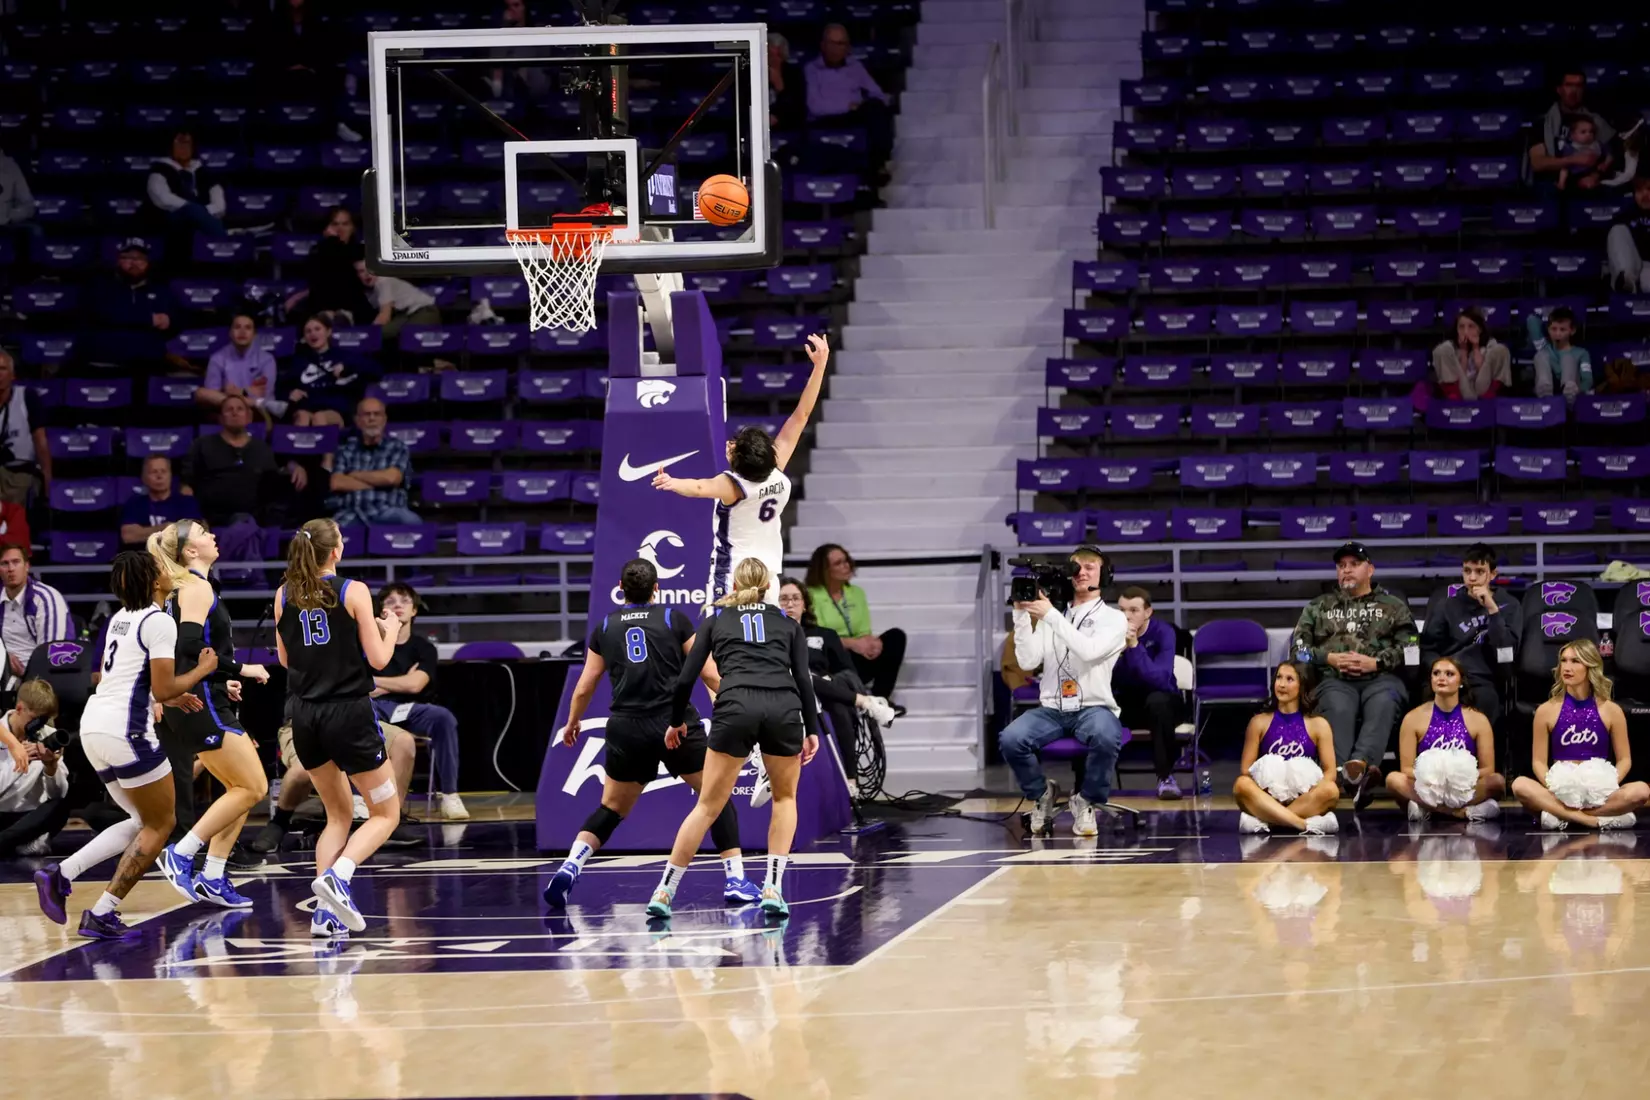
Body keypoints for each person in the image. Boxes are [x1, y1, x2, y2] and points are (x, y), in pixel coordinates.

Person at [545, 558, 762, 907]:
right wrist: (742, 704)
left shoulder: (605, 626)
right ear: (656, 588)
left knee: (611, 808)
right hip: (674, 724)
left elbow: (585, 685)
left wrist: (572, 722)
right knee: (715, 798)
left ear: (621, 588)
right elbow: (709, 673)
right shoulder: (673, 619)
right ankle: (736, 878)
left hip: (626, 728)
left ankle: (572, 864)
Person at [32, 552, 216, 939]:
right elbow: (162, 687)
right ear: (153, 582)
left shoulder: (120, 617)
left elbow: (127, 680)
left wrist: (167, 697)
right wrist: (202, 670)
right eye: (161, 568)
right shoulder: (159, 621)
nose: (168, 571)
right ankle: (102, 911)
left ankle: (61, 874)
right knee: (162, 823)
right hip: (125, 732)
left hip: (95, 727)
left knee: (139, 821)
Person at [645, 558, 820, 920]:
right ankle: (773, 888)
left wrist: (675, 721)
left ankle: (664, 891)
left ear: (735, 586)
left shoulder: (716, 620)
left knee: (707, 806)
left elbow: (685, 679)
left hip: (735, 705)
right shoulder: (789, 624)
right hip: (782, 707)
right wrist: (813, 730)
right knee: (785, 798)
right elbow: (804, 680)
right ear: (768, 588)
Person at [274, 517, 403, 934]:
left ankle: (325, 915)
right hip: (348, 713)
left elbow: (285, 659)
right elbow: (379, 660)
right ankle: (338, 876)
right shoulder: (353, 590)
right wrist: (391, 629)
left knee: (337, 816)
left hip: (305, 716)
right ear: (335, 551)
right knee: (386, 814)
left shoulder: (283, 593)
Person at [149, 520, 271, 907]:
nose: (213, 536)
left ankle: (213, 875)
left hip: (205, 698)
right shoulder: (195, 586)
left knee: (240, 789)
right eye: (203, 534)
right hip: (202, 706)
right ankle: (181, 852)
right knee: (254, 787)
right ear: (190, 551)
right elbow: (188, 645)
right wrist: (241, 669)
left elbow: (193, 651)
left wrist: (220, 680)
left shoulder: (186, 588)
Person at [652, 333, 829, 602]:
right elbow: (801, 415)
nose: (729, 443)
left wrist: (672, 482)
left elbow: (699, 487)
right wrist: (820, 366)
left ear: (739, 462)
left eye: (734, 446)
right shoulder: (776, 470)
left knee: (720, 629)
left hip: (734, 574)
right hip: (768, 577)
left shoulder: (733, 486)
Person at [997, 546, 1128, 837]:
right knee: (1011, 738)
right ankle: (1041, 793)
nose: (1081, 572)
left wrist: (1051, 616)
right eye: (1076, 567)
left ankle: (1086, 800)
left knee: (1106, 735)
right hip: (1052, 709)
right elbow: (1028, 661)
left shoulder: (1114, 618)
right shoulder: (1052, 616)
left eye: (1090, 567)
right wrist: (1021, 615)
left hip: (1093, 707)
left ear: (1104, 575)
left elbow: (1089, 651)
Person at [1290, 541, 1416, 808]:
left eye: (1354, 564)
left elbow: (1413, 650)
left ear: (1370, 569)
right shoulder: (1318, 606)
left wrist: (1376, 663)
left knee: (1384, 702)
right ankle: (1349, 776)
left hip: (1382, 679)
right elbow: (1297, 651)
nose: (1346, 570)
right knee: (1338, 707)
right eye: (1341, 565)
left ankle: (1356, 768)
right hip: (1334, 680)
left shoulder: (1393, 606)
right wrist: (1329, 658)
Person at [1511, 640, 1650, 831]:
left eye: (1575, 661)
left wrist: (1605, 785)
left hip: (1599, 792)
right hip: (1561, 791)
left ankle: (1561, 816)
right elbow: (1538, 762)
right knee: (1519, 785)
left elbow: (1625, 759)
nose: (1567, 667)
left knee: (1641, 790)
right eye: (1563, 661)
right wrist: (1555, 787)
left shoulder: (1611, 710)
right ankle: (1594, 820)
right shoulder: (1546, 710)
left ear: (1590, 666)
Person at [776, 576, 895, 797]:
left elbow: (847, 672)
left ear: (805, 604)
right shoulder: (770, 637)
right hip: (787, 690)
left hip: (823, 693)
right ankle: (865, 702)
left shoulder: (824, 635)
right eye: (783, 599)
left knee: (839, 707)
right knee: (800, 676)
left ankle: (851, 782)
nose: (790, 604)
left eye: (795, 598)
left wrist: (831, 679)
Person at [250, 704, 424, 853]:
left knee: (403, 742)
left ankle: (391, 820)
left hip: (354, 720)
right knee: (304, 769)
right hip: (306, 722)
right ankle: (279, 822)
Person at [371, 582, 464, 819]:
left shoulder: (424, 648)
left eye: (404, 601)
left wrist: (377, 682)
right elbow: (360, 687)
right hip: (375, 708)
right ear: (381, 611)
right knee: (358, 712)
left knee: (443, 717)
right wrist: (401, 681)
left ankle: (450, 796)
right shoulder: (369, 645)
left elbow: (415, 685)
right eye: (390, 602)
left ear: (414, 610)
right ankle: (362, 799)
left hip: (410, 709)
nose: (398, 606)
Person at [1385, 656, 1504, 823]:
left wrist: (1456, 777)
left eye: (1449, 674)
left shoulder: (1478, 719)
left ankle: (1428, 811)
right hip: (1428, 788)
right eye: (1436, 673)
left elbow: (1488, 769)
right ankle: (1458, 813)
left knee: (1497, 781)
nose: (1441, 678)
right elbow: (1406, 768)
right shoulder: (1412, 718)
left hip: (1464, 788)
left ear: (1461, 682)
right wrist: (1435, 778)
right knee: (1393, 779)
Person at [1233, 661, 1340, 836]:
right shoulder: (1258, 722)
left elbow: (1330, 772)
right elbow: (1246, 769)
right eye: (1279, 678)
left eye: (1289, 679)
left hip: (1304, 797)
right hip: (1268, 796)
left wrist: (1313, 789)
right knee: (1241, 784)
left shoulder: (1319, 725)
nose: (1281, 684)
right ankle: (1303, 824)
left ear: (1302, 686)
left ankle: (1268, 821)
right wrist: (1268, 788)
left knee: (1331, 790)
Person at [1418, 544, 1521, 720]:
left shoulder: (1509, 605)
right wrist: (1441, 670)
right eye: (1467, 571)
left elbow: (1507, 651)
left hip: (1484, 679)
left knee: (1487, 702)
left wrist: (1493, 611)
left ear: (1493, 574)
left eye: (1480, 571)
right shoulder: (1446, 605)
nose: (1472, 578)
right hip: (1448, 676)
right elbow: (1428, 648)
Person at [804, 542, 907, 709]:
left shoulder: (856, 593)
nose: (846, 566)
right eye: (838, 563)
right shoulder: (810, 595)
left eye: (846, 560)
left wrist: (871, 643)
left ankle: (880, 699)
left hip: (856, 656)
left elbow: (863, 631)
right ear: (824, 570)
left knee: (896, 637)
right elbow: (819, 636)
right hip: (832, 660)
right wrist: (852, 643)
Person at [183, 393, 309, 529]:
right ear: (221, 418)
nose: (235, 413)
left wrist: (295, 466)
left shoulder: (262, 448)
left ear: (249, 417)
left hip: (257, 517)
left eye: (240, 409)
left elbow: (273, 481)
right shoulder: (203, 444)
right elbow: (186, 482)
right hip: (214, 518)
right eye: (229, 409)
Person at [1111, 586, 1186, 800]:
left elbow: (1159, 680)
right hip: (1126, 702)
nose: (1126, 616)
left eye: (1133, 610)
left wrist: (1134, 646)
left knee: (1157, 702)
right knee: (1092, 708)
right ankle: (1088, 783)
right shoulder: (1111, 633)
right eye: (1122, 610)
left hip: (1164, 702)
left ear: (1148, 612)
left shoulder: (1164, 632)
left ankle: (1166, 777)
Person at [82, 237, 180, 374]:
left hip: (149, 365)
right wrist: (149, 319)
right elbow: (105, 314)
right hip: (107, 364)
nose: (133, 263)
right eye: (127, 257)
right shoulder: (100, 286)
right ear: (118, 260)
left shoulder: (160, 290)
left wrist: (169, 321)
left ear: (147, 262)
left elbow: (175, 319)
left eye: (140, 258)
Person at [804, 24, 892, 167]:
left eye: (840, 44)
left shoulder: (855, 67)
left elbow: (878, 94)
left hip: (853, 116)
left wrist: (863, 104)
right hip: (824, 119)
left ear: (847, 47)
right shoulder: (811, 69)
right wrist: (847, 105)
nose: (835, 48)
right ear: (823, 45)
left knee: (876, 108)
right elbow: (815, 106)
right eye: (831, 43)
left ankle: (880, 162)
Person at [324, 397, 418, 527]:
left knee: (412, 522)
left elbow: (391, 478)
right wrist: (379, 483)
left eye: (377, 414)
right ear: (358, 421)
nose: (372, 418)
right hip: (352, 513)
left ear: (384, 419)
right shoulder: (346, 449)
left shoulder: (397, 447)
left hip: (388, 511)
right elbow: (337, 482)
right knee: (324, 534)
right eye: (366, 414)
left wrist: (353, 475)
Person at [0, 680, 68, 856]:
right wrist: (22, 761)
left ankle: (9, 842)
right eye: (34, 719)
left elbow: (57, 794)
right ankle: (21, 843)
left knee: (60, 806)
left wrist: (51, 767)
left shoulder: (49, 736)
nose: (38, 725)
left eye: (43, 720)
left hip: (28, 817)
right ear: (19, 708)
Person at [281, 315, 378, 429]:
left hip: (336, 409)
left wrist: (346, 367)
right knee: (302, 416)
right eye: (308, 331)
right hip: (307, 407)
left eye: (317, 329)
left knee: (319, 417)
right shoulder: (299, 361)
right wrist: (290, 394)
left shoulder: (344, 356)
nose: (313, 334)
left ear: (328, 332)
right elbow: (281, 387)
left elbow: (375, 370)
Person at [283, 206, 374, 325]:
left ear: (353, 228)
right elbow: (318, 282)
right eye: (335, 224)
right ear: (327, 228)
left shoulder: (361, 251)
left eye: (345, 224)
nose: (340, 228)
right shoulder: (319, 250)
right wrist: (297, 297)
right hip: (322, 303)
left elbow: (346, 280)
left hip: (353, 303)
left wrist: (334, 242)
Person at [1528, 69, 1615, 188]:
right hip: (1554, 184)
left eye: (1579, 86)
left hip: (1590, 182)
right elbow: (1537, 163)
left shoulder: (1595, 120)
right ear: (1559, 89)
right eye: (1569, 85)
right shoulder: (1543, 122)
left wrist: (1595, 176)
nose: (1574, 91)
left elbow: (1612, 156)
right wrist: (1573, 160)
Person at [0, 545, 72, 682]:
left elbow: (51, 655)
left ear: (27, 566)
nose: (11, 569)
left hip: (41, 680)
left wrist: (24, 674)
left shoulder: (46, 599)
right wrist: (4, 658)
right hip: (4, 672)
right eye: (4, 563)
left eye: (16, 562)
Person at [145, 129, 227, 239]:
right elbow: (163, 200)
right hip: (171, 222)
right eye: (179, 143)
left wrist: (201, 212)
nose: (183, 147)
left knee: (211, 220)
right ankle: (222, 241)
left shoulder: (204, 172)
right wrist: (194, 210)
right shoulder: (159, 172)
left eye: (187, 143)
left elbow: (220, 206)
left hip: (202, 222)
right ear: (171, 146)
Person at [196, 313, 279, 416]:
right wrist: (245, 392)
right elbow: (212, 394)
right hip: (228, 410)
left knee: (266, 404)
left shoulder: (267, 359)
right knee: (201, 393)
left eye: (248, 328)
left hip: (257, 411)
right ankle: (237, 405)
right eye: (237, 327)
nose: (242, 332)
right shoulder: (217, 358)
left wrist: (239, 392)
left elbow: (264, 394)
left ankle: (238, 404)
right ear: (230, 333)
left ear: (254, 334)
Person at [0, 348, 51, 506]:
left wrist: (48, 479)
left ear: (12, 375)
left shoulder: (27, 396)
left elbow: (40, 442)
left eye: (3, 369)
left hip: (21, 473)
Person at [120, 456, 202, 548]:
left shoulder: (186, 503)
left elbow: (195, 533)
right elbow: (128, 536)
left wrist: (145, 532)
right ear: (144, 478)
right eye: (154, 472)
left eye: (164, 471)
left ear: (170, 476)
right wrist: (165, 528)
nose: (159, 476)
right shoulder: (135, 504)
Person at [1430, 307, 1510, 401]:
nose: (1466, 332)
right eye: (1461, 327)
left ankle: (1486, 400)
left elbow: (1482, 384)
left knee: (1501, 350)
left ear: (1480, 329)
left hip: (1483, 391)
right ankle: (1455, 401)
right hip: (1459, 393)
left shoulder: (1490, 345)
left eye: (1471, 326)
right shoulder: (1450, 348)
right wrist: (1463, 351)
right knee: (1441, 350)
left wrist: (1476, 348)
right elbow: (1461, 380)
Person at [354, 259, 439, 340]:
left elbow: (384, 316)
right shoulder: (370, 292)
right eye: (362, 271)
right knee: (381, 333)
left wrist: (366, 335)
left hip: (424, 310)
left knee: (409, 336)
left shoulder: (383, 281)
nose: (367, 274)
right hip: (404, 315)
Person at [1527, 306, 1593, 402]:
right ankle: (1545, 395)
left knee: (1568, 358)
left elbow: (1587, 380)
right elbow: (1531, 320)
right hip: (1548, 396)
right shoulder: (1544, 348)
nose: (1557, 334)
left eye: (1562, 330)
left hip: (1574, 395)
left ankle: (1568, 395)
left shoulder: (1581, 353)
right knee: (1540, 356)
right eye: (1553, 329)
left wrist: (1579, 390)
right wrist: (1546, 313)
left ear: (1572, 331)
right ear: (1548, 329)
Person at [1607, 174, 1650, 293]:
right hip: (1634, 267)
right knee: (1618, 229)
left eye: (1649, 189)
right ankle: (1626, 283)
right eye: (1639, 190)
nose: (1644, 195)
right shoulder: (1626, 216)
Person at [1555, 115, 1609, 191]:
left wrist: (1605, 163)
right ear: (1573, 135)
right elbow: (1564, 167)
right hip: (1575, 174)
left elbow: (1609, 154)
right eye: (1583, 132)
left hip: (1592, 171)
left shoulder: (1597, 145)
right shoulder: (1570, 148)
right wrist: (1561, 182)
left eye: (1591, 132)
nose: (1588, 134)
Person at [766, 32, 807, 131]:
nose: (775, 60)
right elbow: (744, 106)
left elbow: (798, 110)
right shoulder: (750, 74)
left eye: (779, 55)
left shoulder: (794, 74)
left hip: (787, 126)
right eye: (771, 55)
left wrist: (780, 88)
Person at [0, 144, 38, 246]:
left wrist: (9, 215)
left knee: (34, 232)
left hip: (5, 223)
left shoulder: (11, 167)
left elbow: (28, 205)